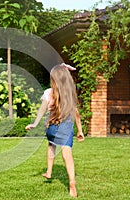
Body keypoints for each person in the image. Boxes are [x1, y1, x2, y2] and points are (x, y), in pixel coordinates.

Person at [25, 63, 84, 198]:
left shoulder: (48, 92)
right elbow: (76, 114)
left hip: (51, 127)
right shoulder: (69, 94)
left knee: (51, 145)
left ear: (53, 80)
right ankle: (72, 182)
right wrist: (79, 131)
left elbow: (42, 109)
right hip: (66, 126)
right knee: (66, 153)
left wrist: (35, 123)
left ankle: (49, 171)